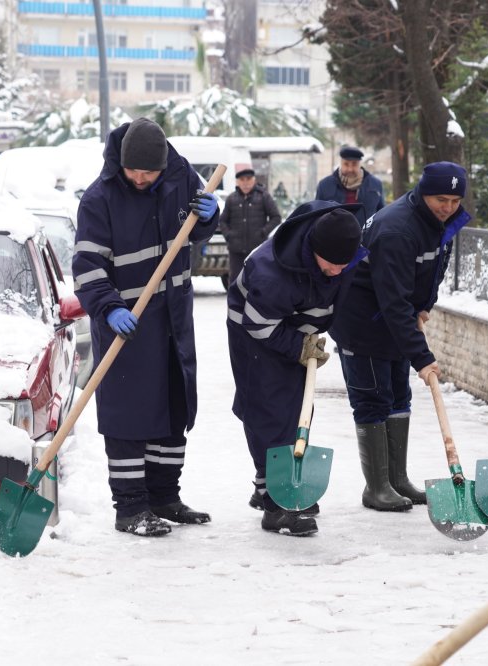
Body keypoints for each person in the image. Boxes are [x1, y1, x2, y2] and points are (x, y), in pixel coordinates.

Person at [73, 118, 220, 537]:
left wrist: (211, 216)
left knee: (172, 406)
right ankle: (131, 508)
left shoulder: (181, 177)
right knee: (128, 415)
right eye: (132, 171)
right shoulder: (99, 199)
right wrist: (108, 307)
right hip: (126, 323)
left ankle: (164, 498)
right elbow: (87, 266)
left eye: (147, 172)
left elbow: (197, 230)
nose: (138, 178)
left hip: (173, 317)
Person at [330, 162, 471, 511]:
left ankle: (397, 479)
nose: (448, 207)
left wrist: (425, 304)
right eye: (441, 199)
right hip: (361, 320)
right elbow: (392, 302)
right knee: (372, 398)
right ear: (424, 193)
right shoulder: (397, 230)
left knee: (397, 396)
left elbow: (435, 267)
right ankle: (376, 487)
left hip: (393, 317)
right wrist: (422, 358)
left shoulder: (438, 222)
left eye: (455, 200)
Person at [227, 201, 366, 536]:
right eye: (331, 264)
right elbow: (259, 326)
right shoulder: (272, 272)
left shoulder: (338, 250)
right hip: (255, 332)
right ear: (313, 250)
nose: (337, 270)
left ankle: (279, 482)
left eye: (343, 265)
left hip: (293, 327)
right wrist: (299, 346)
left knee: (297, 407)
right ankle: (275, 503)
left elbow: (335, 289)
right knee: (269, 408)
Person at [217, 166, 282, 284]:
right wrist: (229, 235)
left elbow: (276, 217)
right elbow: (223, 220)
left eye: (248, 179)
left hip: (256, 248)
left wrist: (263, 232)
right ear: (237, 182)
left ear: (254, 180)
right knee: (235, 281)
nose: (245, 183)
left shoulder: (264, 196)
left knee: (257, 279)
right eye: (242, 180)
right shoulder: (232, 198)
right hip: (236, 250)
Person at [315, 145, 385, 226]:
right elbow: (317, 216)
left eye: (354, 164)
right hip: (334, 236)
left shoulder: (375, 184)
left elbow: (381, 215)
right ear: (341, 163)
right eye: (346, 164)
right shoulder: (325, 185)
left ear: (360, 164)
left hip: (366, 236)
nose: (350, 169)